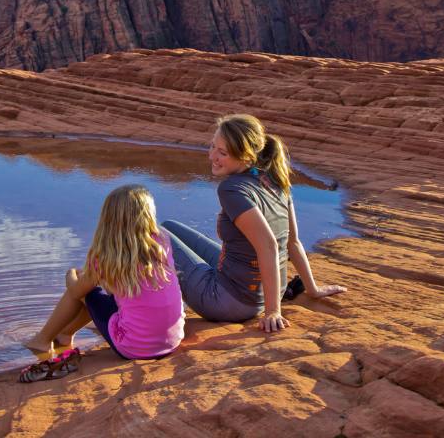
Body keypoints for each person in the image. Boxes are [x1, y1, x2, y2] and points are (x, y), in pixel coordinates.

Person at [162, 114, 346, 333]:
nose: (212, 156)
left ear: (247, 156)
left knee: (150, 234)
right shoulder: (275, 180)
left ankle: (140, 311)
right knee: (168, 226)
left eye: (223, 153)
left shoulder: (232, 189)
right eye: (212, 147)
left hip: (229, 302)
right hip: (255, 289)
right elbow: (293, 242)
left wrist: (272, 312)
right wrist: (312, 289)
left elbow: (268, 245)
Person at [24, 184, 185, 359]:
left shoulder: (107, 254)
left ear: (108, 218)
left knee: (85, 288)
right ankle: (65, 335)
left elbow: (76, 291)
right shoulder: (161, 240)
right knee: (98, 287)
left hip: (133, 347)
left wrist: (70, 273)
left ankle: (42, 340)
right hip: (171, 340)